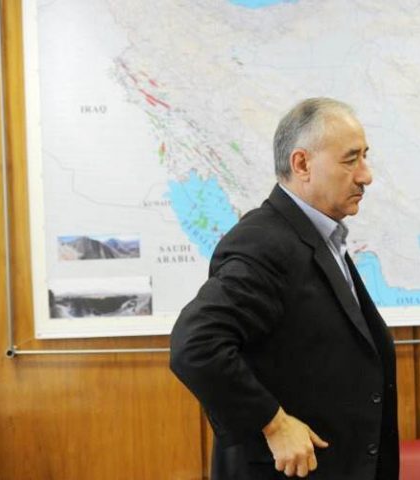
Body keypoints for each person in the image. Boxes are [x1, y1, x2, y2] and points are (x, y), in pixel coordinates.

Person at [170, 97, 399, 480]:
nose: (366, 175)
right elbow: (195, 344)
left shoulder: (320, 236)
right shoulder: (265, 242)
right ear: (302, 164)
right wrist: (273, 423)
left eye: (365, 157)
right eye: (350, 160)